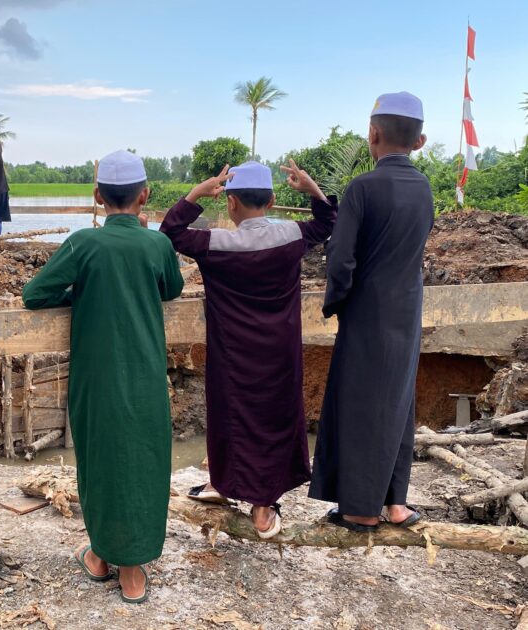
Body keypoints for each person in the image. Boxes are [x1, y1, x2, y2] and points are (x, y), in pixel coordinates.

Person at [22, 150, 183, 604]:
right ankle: (133, 571)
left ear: (98, 196)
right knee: (145, 463)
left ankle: (101, 556)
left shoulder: (84, 244)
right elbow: (172, 288)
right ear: (144, 195)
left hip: (97, 379)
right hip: (145, 375)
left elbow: (35, 295)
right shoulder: (157, 246)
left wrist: (82, 292)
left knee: (100, 462)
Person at [160, 161, 337, 537]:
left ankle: (230, 487)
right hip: (280, 353)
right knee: (273, 421)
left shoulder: (215, 244)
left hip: (231, 356)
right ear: (271, 201)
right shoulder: (291, 236)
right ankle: (261, 505)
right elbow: (328, 223)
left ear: (231, 203)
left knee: (231, 419)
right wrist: (312, 189)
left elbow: (170, 232)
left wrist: (196, 193)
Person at [308, 92, 433, 531]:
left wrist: (337, 302)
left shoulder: (363, 187)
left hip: (368, 313)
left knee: (361, 403)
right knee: (398, 400)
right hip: (407, 312)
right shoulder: (424, 187)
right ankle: (396, 503)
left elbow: (341, 257)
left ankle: (361, 509)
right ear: (419, 141)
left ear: (373, 134)